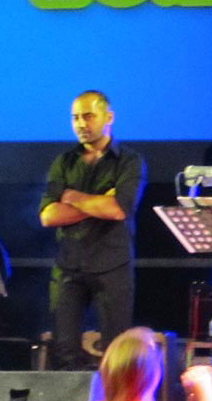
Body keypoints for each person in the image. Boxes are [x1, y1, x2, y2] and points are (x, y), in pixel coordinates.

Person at [39, 90, 146, 370]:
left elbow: (118, 209)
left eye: (88, 116)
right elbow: (48, 216)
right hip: (68, 267)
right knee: (64, 350)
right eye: (75, 117)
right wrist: (98, 200)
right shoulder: (64, 162)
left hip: (112, 265)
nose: (81, 124)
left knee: (115, 353)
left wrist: (72, 197)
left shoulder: (129, 161)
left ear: (108, 117)